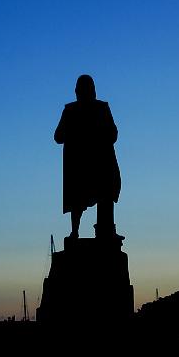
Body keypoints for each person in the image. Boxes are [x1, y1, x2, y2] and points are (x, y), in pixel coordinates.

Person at [54, 75, 122, 240]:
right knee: (80, 197)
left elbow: (113, 134)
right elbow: (58, 137)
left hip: (96, 164)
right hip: (83, 165)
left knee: (103, 192)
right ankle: (79, 232)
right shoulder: (72, 111)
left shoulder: (97, 108)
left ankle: (104, 231)